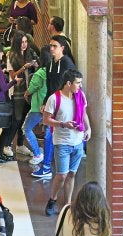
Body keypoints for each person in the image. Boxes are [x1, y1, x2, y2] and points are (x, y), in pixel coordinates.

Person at [42, 69, 91, 216]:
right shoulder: (54, 99)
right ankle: (52, 199)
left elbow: (84, 114)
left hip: (78, 141)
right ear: (68, 83)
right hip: (62, 142)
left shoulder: (80, 96)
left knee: (71, 174)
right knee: (62, 174)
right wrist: (63, 124)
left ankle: (68, 204)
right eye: (78, 83)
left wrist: (88, 128)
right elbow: (46, 120)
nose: (80, 86)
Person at [32, 35, 76, 179]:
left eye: (55, 46)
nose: (51, 48)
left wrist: (54, 105)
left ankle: (47, 167)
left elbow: (65, 87)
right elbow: (50, 85)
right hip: (53, 103)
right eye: (50, 45)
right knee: (50, 135)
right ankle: (49, 166)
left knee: (51, 135)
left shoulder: (67, 63)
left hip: (62, 105)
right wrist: (45, 102)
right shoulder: (51, 63)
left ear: (62, 48)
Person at [3, 30, 38, 160]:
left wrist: (34, 64)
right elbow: (12, 75)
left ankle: (20, 144)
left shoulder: (30, 52)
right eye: (22, 42)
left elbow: (38, 64)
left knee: (24, 118)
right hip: (17, 90)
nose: (24, 44)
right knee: (16, 119)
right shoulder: (11, 55)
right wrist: (24, 67)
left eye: (25, 42)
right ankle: (7, 144)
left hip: (29, 90)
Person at [23, 45, 50, 165]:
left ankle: (37, 153)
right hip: (52, 107)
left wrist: (26, 93)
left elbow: (32, 88)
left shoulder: (40, 73)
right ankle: (48, 154)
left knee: (27, 128)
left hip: (38, 107)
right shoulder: (55, 71)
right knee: (49, 130)